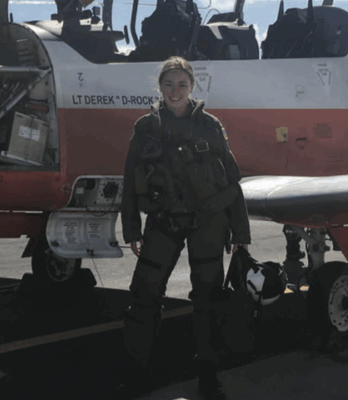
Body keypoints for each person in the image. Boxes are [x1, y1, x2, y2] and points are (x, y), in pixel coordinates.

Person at [116, 57, 251, 400]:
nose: (175, 91)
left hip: (209, 221)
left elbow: (232, 181)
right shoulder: (145, 127)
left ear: (192, 86)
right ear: (159, 87)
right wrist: (132, 229)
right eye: (168, 84)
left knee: (207, 298)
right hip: (164, 221)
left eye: (181, 84)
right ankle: (136, 372)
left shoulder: (210, 125)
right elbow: (130, 180)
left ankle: (208, 373)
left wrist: (241, 233)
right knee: (144, 293)